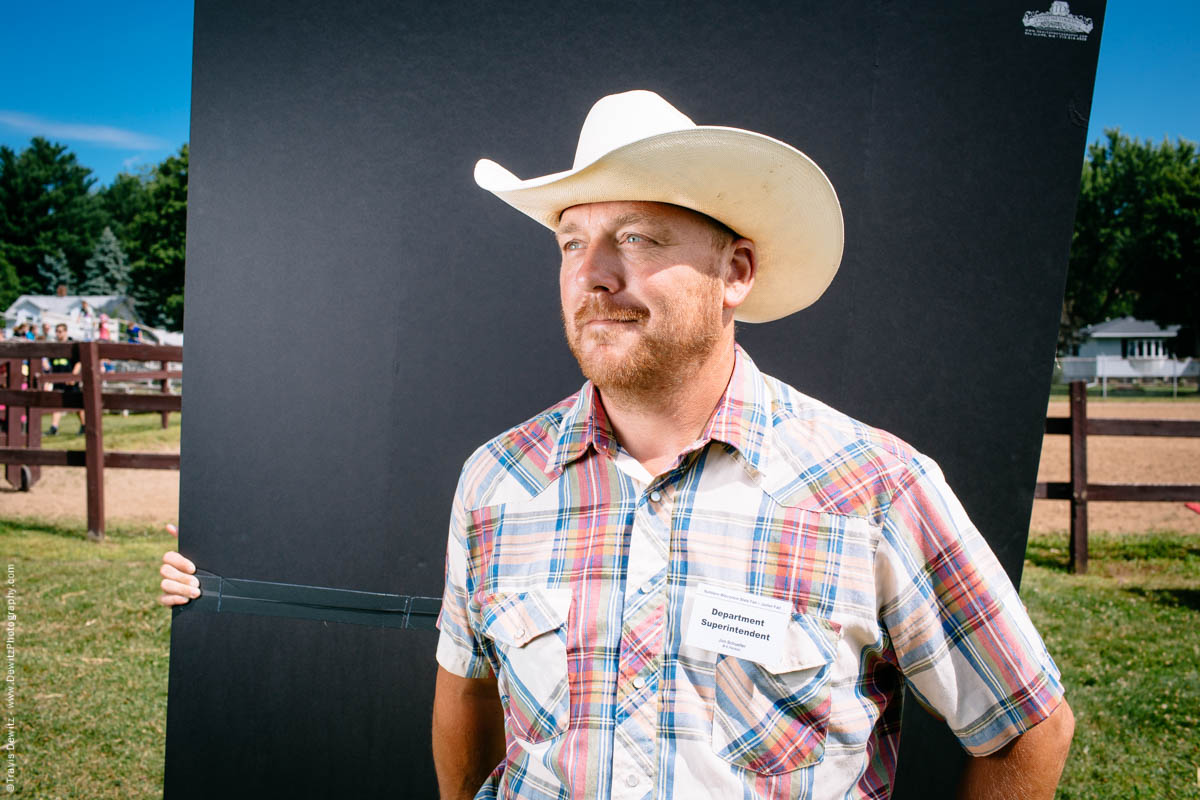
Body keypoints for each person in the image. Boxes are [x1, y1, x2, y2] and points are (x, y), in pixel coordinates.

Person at [159, 91, 1074, 799]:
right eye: (572, 241)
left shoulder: (871, 487)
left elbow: (1029, 727)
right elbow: (468, 693)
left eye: (636, 237)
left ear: (736, 272)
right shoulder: (497, 482)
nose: (594, 275)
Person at [44, 323, 84, 435]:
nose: (58, 334)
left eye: (60, 331)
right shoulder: (55, 347)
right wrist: (49, 379)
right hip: (58, 378)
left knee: (76, 404)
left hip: (70, 379)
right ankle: (54, 428)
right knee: (56, 403)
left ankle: (84, 425)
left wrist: (73, 376)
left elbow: (78, 362)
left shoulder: (72, 345)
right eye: (57, 331)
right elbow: (51, 364)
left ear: (66, 332)